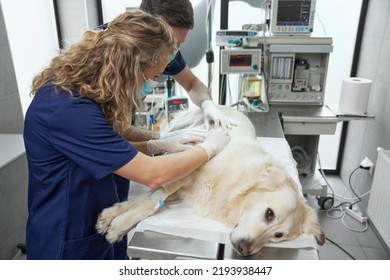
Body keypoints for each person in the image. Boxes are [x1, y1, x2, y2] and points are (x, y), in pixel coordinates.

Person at [23, 11, 230, 260]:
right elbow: (152, 174)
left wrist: (156, 143)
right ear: (129, 67)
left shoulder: (89, 87)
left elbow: (109, 135)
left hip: (98, 223)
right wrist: (209, 148)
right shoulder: (65, 107)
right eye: (153, 77)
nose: (153, 83)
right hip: (66, 240)